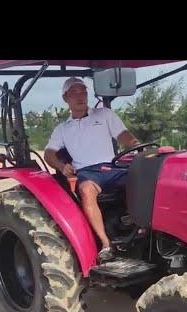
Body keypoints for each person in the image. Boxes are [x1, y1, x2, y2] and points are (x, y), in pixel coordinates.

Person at [44, 77, 140, 263]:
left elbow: (124, 136)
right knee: (86, 190)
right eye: (75, 93)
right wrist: (62, 167)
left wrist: (137, 145)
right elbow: (49, 154)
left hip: (112, 167)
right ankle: (105, 244)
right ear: (65, 98)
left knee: (145, 178)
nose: (81, 97)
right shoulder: (62, 129)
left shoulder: (104, 115)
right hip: (88, 173)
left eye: (83, 92)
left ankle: (143, 229)